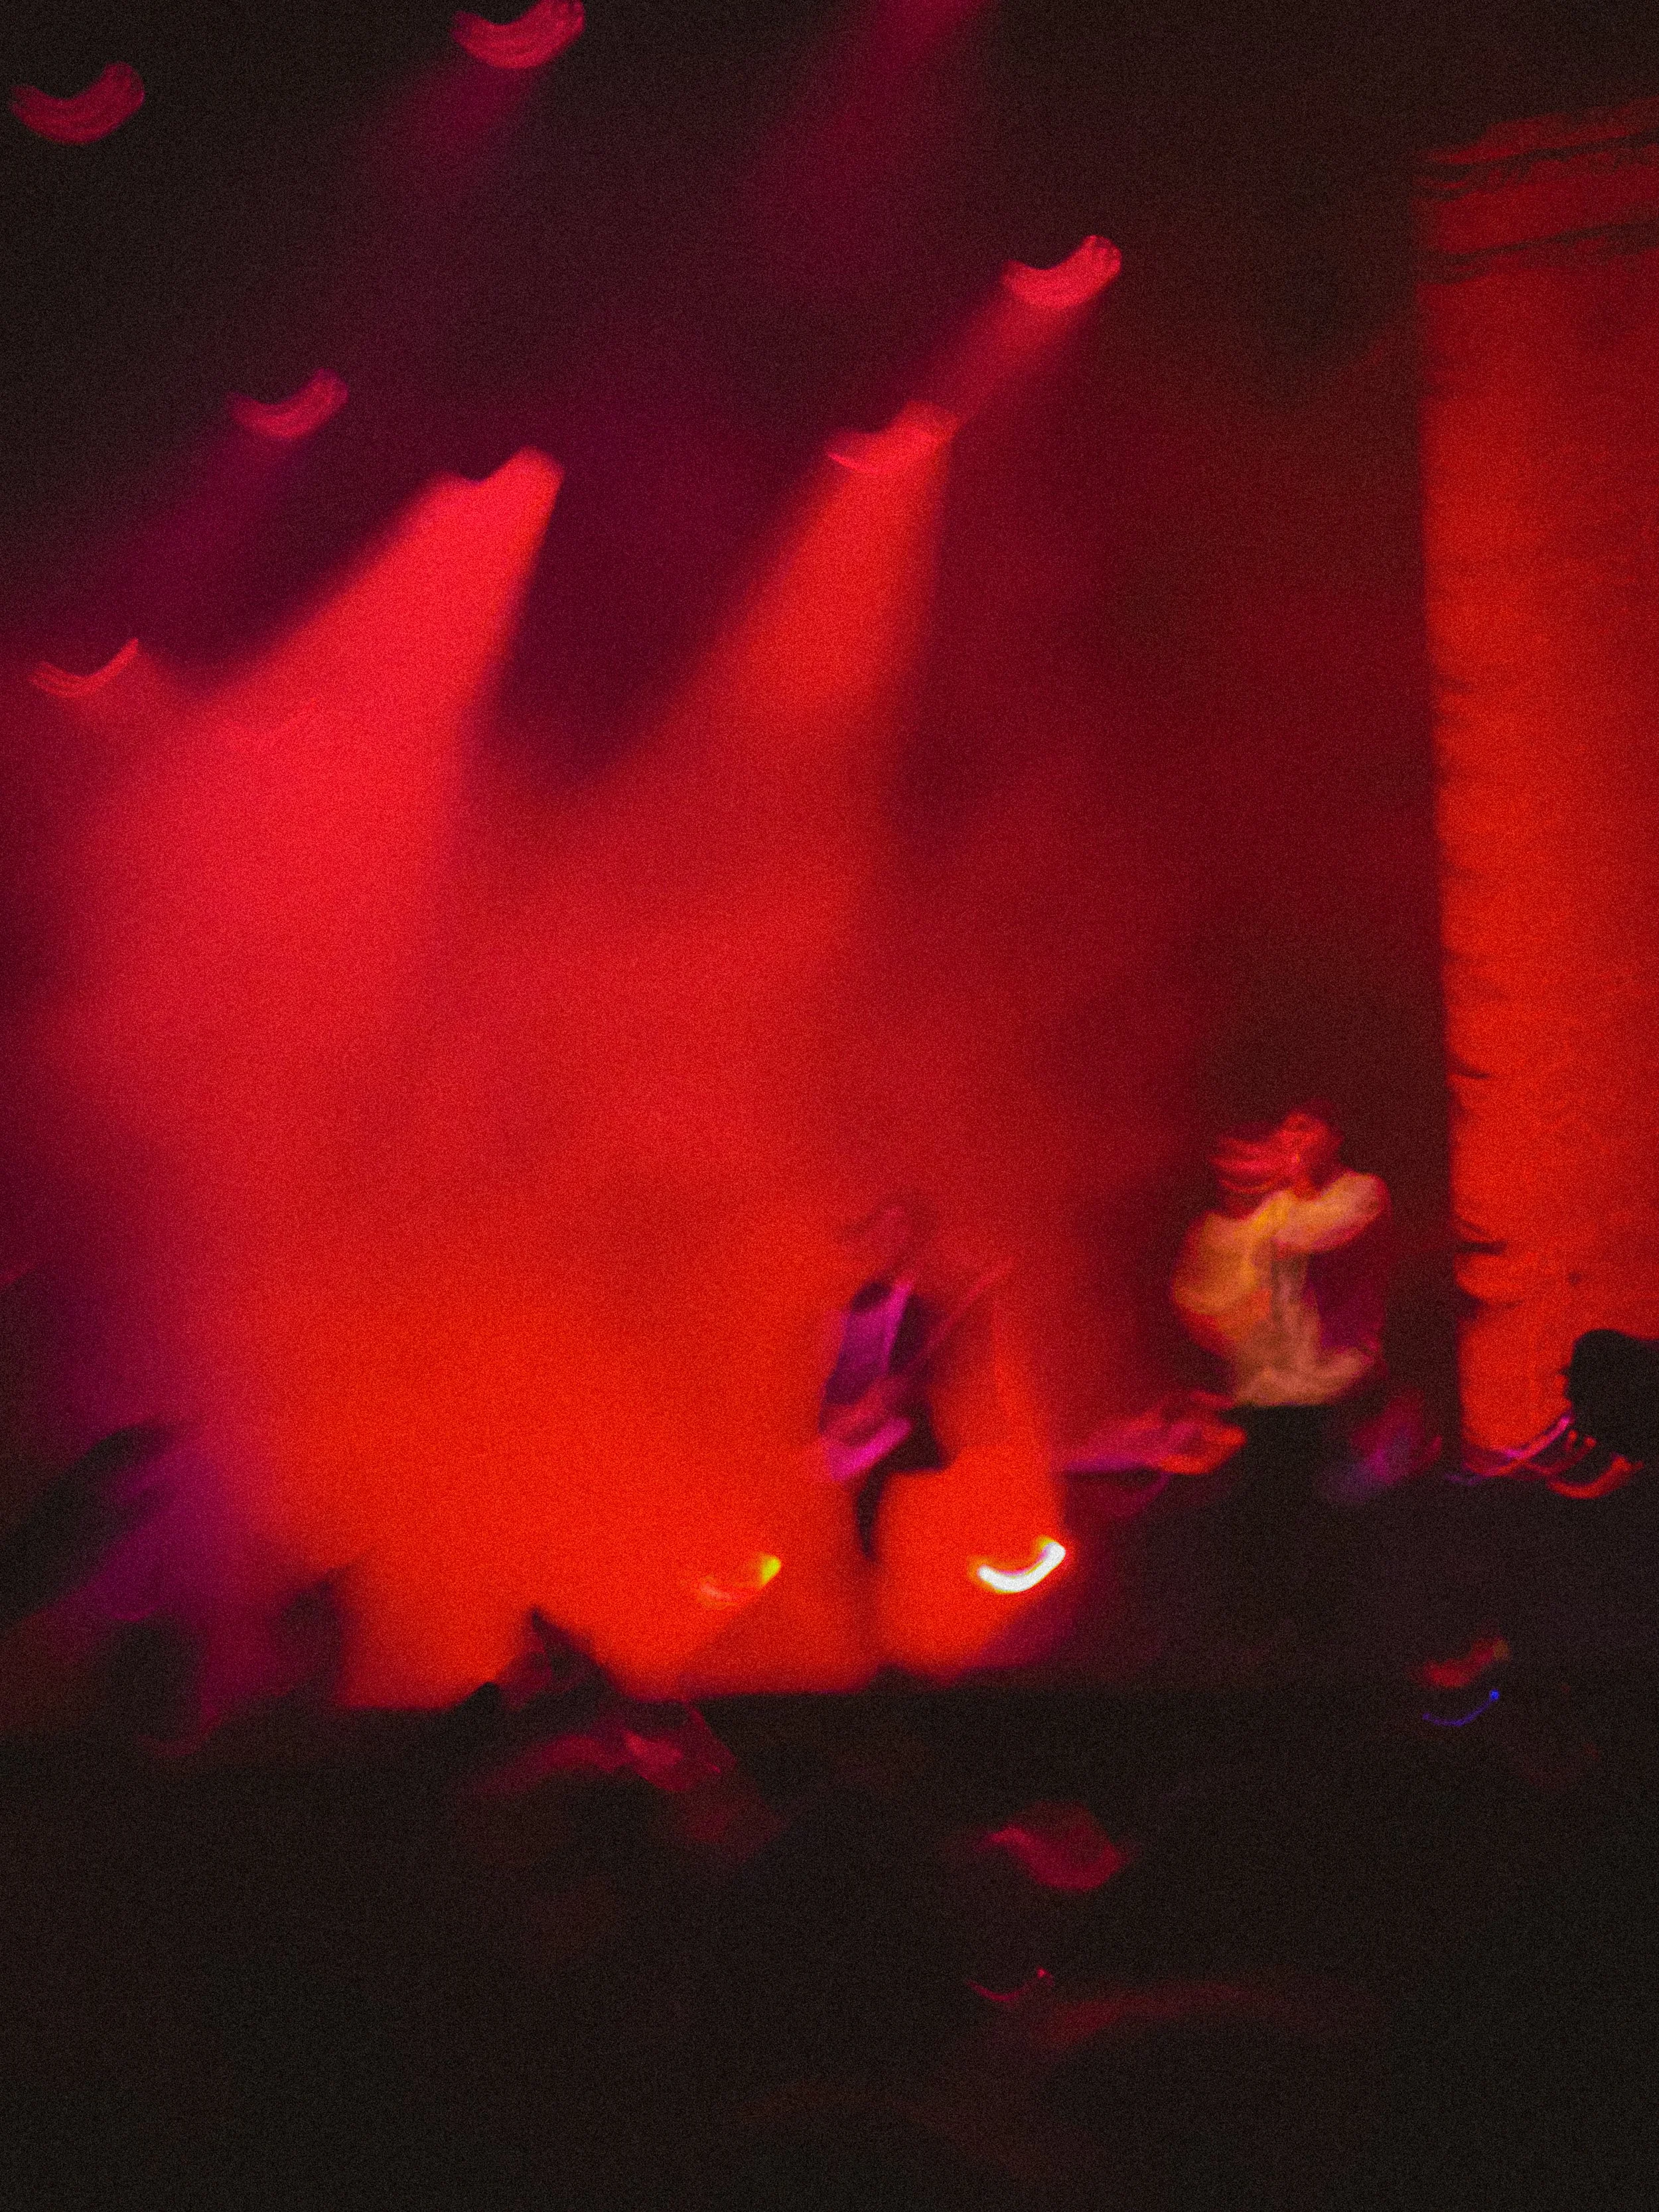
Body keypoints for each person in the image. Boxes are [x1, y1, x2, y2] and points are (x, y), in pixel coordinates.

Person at [1171, 1109, 1390, 1649]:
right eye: (1284, 1131)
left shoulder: (1361, 1192)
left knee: (1337, 1535)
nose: (1290, 1140)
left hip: (1338, 1391)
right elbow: (1220, 1300)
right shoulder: (1271, 1212)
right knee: (1266, 1540)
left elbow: (1312, 1235)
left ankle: (1336, 1641)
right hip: (1272, 1399)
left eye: (1304, 1129)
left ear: (1335, 1137)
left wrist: (1269, 1190)